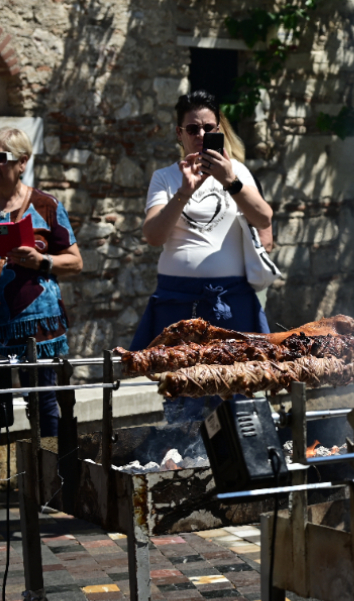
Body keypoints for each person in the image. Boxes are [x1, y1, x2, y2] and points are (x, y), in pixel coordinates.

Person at [0, 128, 83, 515]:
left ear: (22, 162)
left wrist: (42, 261)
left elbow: (75, 261)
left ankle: (50, 486)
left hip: (38, 327)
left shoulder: (45, 205)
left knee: (44, 405)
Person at [135, 90, 274, 422]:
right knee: (185, 395)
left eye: (208, 128)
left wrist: (230, 181)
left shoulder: (236, 171)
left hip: (232, 301)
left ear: (219, 131)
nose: (200, 136)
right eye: (192, 129)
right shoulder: (166, 178)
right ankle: (186, 462)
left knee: (240, 393)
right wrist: (184, 191)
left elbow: (264, 218)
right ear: (179, 133)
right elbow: (153, 236)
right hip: (178, 302)